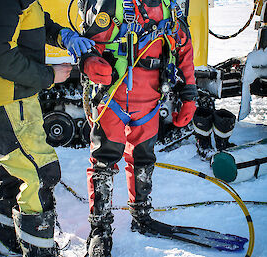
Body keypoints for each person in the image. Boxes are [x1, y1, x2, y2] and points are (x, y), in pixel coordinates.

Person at [0, 0, 94, 256]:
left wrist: (62, 35)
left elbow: (33, 21)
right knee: (39, 174)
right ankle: (39, 251)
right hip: (7, 100)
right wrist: (49, 75)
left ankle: (8, 249)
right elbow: (1, 58)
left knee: (12, 174)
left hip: (16, 98)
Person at [77, 0, 198, 256]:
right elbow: (89, 44)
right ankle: (100, 229)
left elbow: (184, 50)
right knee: (103, 162)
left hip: (150, 102)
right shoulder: (113, 6)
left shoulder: (169, 8)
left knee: (144, 158)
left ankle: (141, 214)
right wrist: (89, 62)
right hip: (112, 98)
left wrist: (189, 95)